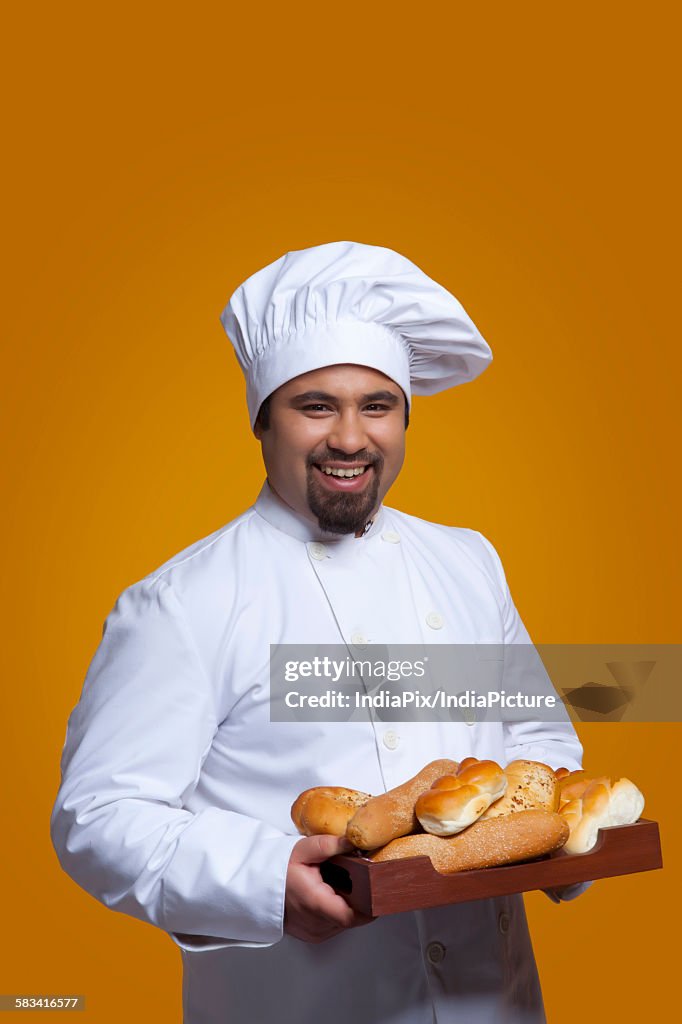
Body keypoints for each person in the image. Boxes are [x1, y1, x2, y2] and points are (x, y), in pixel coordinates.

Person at [51, 241, 586, 1023]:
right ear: (262, 422)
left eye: (377, 406)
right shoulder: (183, 602)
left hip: (493, 1000)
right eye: (315, 406)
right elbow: (98, 817)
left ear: (404, 417)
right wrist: (264, 880)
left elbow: (539, 732)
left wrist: (546, 834)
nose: (349, 438)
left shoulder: (468, 561)